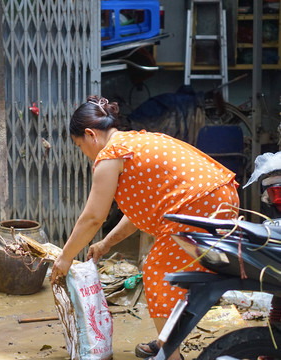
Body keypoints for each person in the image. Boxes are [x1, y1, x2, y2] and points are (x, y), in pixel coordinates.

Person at [50, 96, 240, 360]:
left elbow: (92, 218)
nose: (84, 153)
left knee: (157, 271)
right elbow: (138, 213)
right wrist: (106, 244)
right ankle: (166, 341)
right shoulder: (133, 142)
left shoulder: (110, 155)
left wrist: (65, 257)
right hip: (219, 197)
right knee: (175, 277)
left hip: (199, 204)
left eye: (80, 146)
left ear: (91, 135)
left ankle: (170, 355)